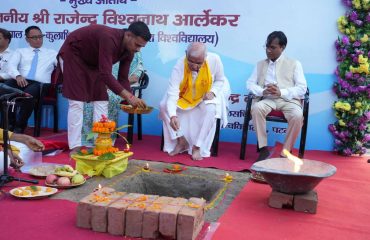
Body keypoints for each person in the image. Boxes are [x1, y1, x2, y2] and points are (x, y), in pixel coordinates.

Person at [57, 22, 151, 151]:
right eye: (137, 45)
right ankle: (75, 145)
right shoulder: (109, 38)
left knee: (101, 99)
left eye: (142, 47)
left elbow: (123, 78)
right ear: (128, 35)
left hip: (93, 63)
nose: (138, 49)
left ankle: (100, 143)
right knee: (77, 102)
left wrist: (129, 101)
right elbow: (106, 75)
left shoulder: (130, 51)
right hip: (73, 55)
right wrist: (129, 96)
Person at [160, 42, 227, 161]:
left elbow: (220, 80)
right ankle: (181, 140)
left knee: (211, 110)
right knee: (164, 105)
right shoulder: (179, 65)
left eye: (199, 63)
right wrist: (173, 115)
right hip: (184, 95)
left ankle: (197, 147)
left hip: (204, 96)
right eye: (191, 61)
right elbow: (173, 92)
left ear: (205, 57)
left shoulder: (214, 59)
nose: (195, 66)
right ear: (186, 54)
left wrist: (213, 92)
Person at [247, 31, 307, 162]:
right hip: (268, 99)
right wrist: (262, 91)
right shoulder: (260, 64)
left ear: (282, 47)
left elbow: (302, 88)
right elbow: (250, 83)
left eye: (272, 47)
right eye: (267, 46)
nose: (268, 50)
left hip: (289, 101)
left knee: (297, 116)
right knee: (257, 108)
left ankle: (285, 152)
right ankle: (263, 149)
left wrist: (282, 92)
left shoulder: (295, 64)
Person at [81, 52, 145, 146]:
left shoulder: (136, 55)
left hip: (123, 88)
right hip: (105, 84)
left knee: (109, 97)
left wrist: (113, 84)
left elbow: (135, 78)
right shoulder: (111, 51)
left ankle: (105, 138)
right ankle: (88, 139)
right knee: (90, 95)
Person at [5, 26, 57, 133]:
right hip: (21, 80)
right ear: (27, 39)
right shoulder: (20, 51)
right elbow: (11, 66)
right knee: (6, 88)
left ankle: (20, 126)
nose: (38, 40)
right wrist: (18, 76)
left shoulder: (52, 53)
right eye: (34, 37)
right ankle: (9, 124)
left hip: (41, 85)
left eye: (40, 37)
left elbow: (63, 68)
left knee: (29, 94)